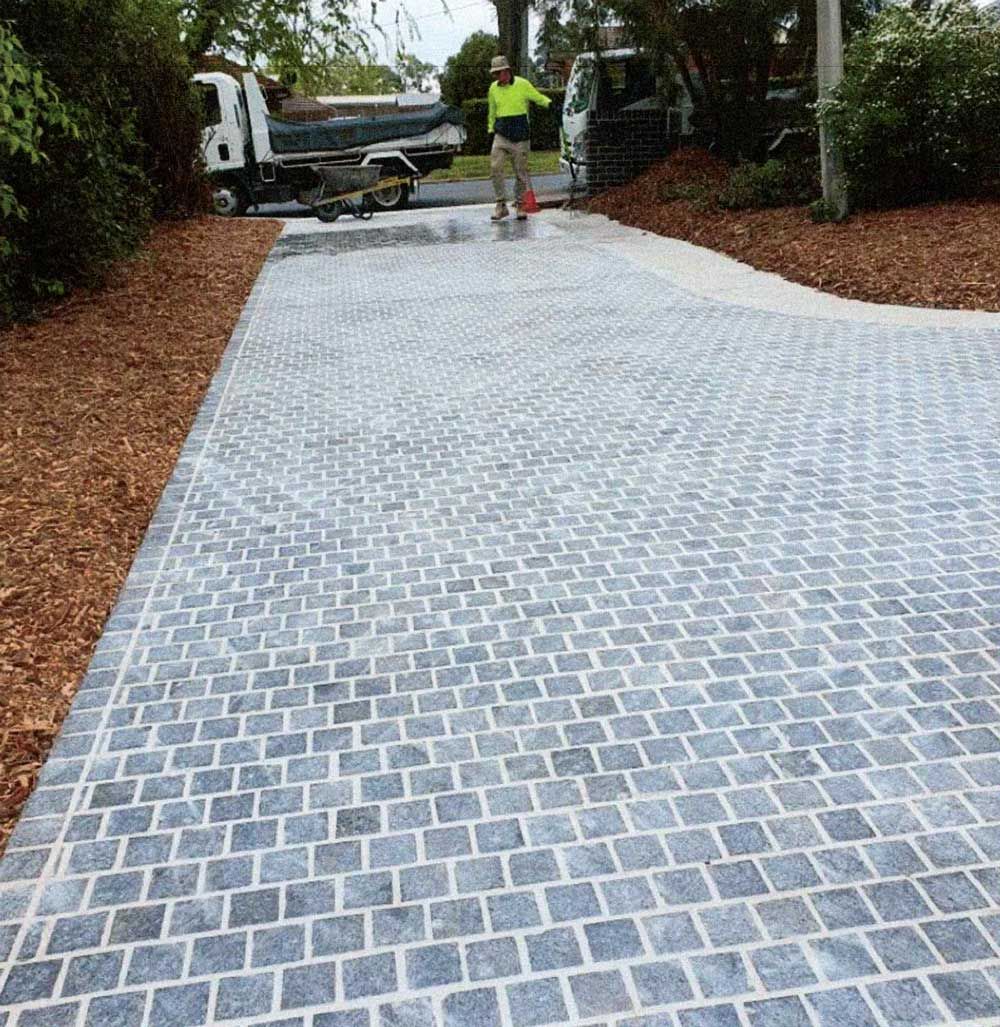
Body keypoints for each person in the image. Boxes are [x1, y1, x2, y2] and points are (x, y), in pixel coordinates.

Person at [487, 55, 554, 221]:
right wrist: (490, 129)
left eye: (499, 72)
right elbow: (492, 111)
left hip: (520, 135)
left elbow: (537, 97)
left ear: (507, 71)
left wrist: (550, 104)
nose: (497, 77)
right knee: (495, 168)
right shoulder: (493, 89)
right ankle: (500, 204)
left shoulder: (523, 84)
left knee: (520, 172)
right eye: (494, 74)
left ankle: (520, 204)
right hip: (501, 134)